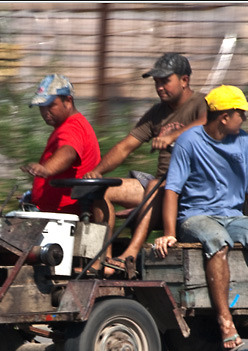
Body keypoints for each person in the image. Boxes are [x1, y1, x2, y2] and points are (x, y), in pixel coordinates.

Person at [153, 85, 248, 351]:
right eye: (241, 113)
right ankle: (226, 322)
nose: (245, 118)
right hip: (196, 217)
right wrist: (169, 232)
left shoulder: (242, 142)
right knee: (218, 242)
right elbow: (172, 190)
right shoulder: (189, 142)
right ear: (224, 117)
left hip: (233, 216)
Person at [84, 53, 208, 277]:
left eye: (164, 81)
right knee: (103, 189)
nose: (159, 87)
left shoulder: (202, 103)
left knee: (152, 185)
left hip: (189, 189)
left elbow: (206, 123)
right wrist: (97, 172)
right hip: (161, 185)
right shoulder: (157, 112)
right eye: (156, 82)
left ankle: (130, 255)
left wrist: (174, 136)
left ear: (184, 80)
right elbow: (125, 147)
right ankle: (105, 258)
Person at [20, 74, 101, 215]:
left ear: (68, 101)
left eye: (50, 105)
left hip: (63, 217)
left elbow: (68, 152)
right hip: (55, 214)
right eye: (41, 107)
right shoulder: (73, 125)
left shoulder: (71, 128)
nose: (45, 112)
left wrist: (47, 170)